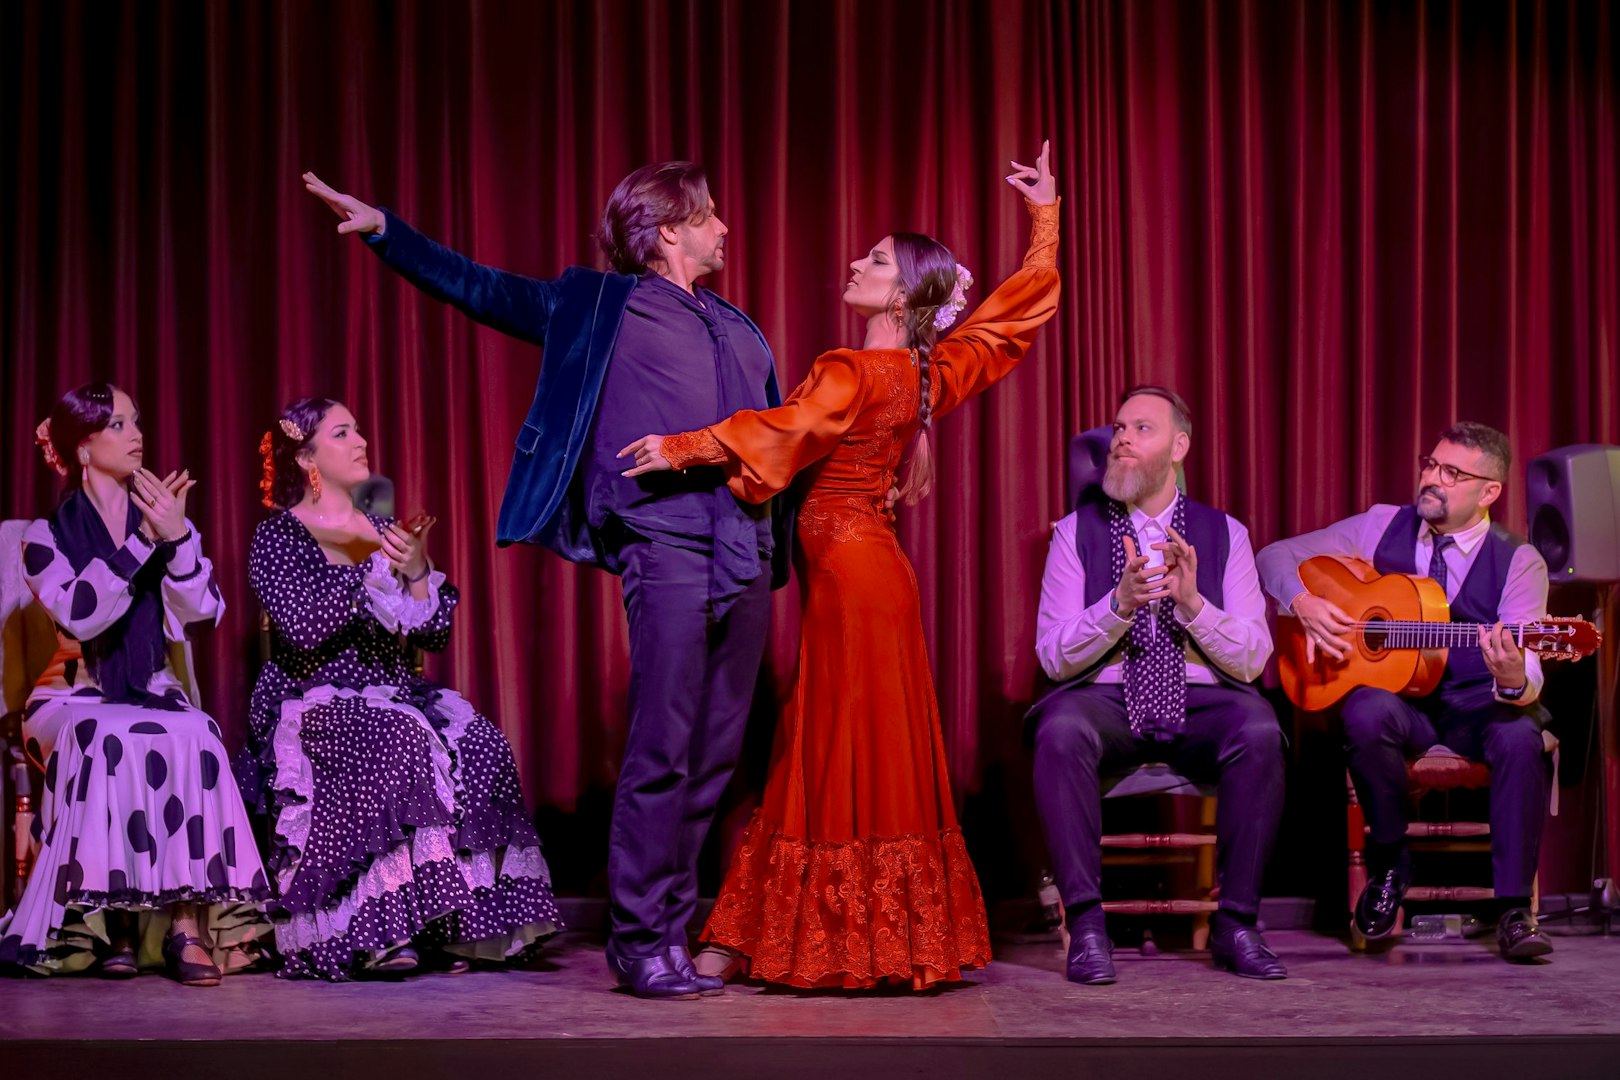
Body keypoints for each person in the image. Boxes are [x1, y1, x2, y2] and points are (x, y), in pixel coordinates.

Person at [303, 163, 788, 998]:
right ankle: (639, 941)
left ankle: (671, 930)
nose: (725, 230)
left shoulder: (739, 325)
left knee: (715, 755)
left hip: (743, 550)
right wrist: (390, 231)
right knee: (664, 745)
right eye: (710, 216)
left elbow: (785, 432)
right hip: (663, 540)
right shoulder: (599, 304)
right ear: (668, 229)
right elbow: (483, 289)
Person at [617, 142, 1061, 989]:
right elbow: (1011, 323)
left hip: (854, 579)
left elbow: (781, 430)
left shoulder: (854, 370)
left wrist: (681, 446)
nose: (857, 263)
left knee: (828, 743)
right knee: (844, 743)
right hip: (876, 575)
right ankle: (823, 935)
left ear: (905, 292)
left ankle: (773, 939)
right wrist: (1045, 219)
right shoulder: (928, 375)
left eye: (878, 260)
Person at [240, 398, 560, 980]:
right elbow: (305, 630)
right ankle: (377, 928)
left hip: (396, 692)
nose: (361, 441)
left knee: (483, 743)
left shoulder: (382, 522)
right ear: (308, 456)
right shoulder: (279, 535)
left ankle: (461, 924)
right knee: (395, 741)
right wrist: (368, 572)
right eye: (342, 433)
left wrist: (414, 570)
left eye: (359, 428)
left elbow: (433, 632)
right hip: (312, 695)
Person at [1255, 421, 1555, 961]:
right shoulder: (1379, 527)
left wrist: (1512, 677)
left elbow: (1529, 671)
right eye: (1430, 464)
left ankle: (1514, 908)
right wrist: (1302, 602)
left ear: (1489, 492)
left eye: (1451, 472)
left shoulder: (1520, 562)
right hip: (1404, 704)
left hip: (1476, 706)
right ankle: (1390, 862)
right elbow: (1274, 556)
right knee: (1364, 712)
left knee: (1519, 737)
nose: (1431, 479)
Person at [0, 383, 267, 985]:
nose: (137, 434)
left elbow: (201, 609)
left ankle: (184, 927)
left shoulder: (164, 521)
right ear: (85, 449)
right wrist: (144, 541)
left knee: (198, 732)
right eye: (118, 424)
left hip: (149, 686)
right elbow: (82, 613)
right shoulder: (44, 537)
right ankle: (113, 924)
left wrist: (173, 537)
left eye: (136, 421)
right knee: (104, 735)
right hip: (72, 694)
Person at [1025, 386, 1287, 984]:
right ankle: (1089, 928)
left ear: (1179, 446)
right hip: (1107, 698)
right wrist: (1116, 607)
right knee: (1060, 728)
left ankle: (1237, 925)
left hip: (1201, 697)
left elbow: (1251, 660)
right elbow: (1052, 656)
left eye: (1141, 428)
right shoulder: (1075, 533)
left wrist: (1195, 606)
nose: (1121, 438)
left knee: (1261, 728)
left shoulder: (1228, 535)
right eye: (1118, 428)